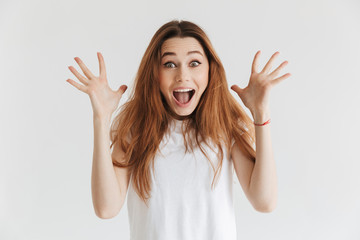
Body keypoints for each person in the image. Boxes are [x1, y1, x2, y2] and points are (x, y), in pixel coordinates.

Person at [66, 20, 290, 240]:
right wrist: (101, 118)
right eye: (170, 64)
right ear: (155, 73)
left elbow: (265, 202)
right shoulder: (137, 127)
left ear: (210, 71)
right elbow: (106, 208)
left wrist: (261, 114)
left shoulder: (225, 125)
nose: (182, 75)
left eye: (194, 63)